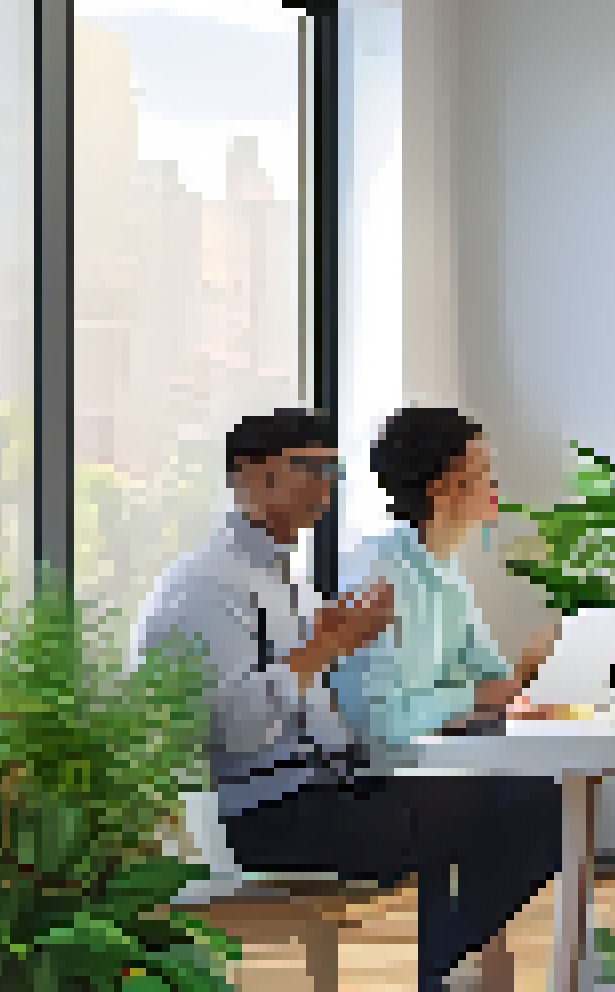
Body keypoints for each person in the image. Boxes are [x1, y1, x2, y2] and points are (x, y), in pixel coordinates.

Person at [132, 409, 561, 992]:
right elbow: (231, 731)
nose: (322, 487)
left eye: (330, 472)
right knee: (535, 802)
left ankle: (445, 969)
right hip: (267, 819)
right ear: (247, 478)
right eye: (305, 469)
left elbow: (326, 715)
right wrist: (322, 651)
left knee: (531, 794)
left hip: (329, 789)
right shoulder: (206, 586)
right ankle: (443, 967)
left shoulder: (287, 581)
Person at [329, 406, 563, 756]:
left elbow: (492, 682)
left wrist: (547, 657)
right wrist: (474, 697)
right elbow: (376, 721)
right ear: (441, 489)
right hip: (385, 778)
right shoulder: (378, 577)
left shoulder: (444, 574)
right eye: (483, 473)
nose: (494, 485)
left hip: (437, 760)